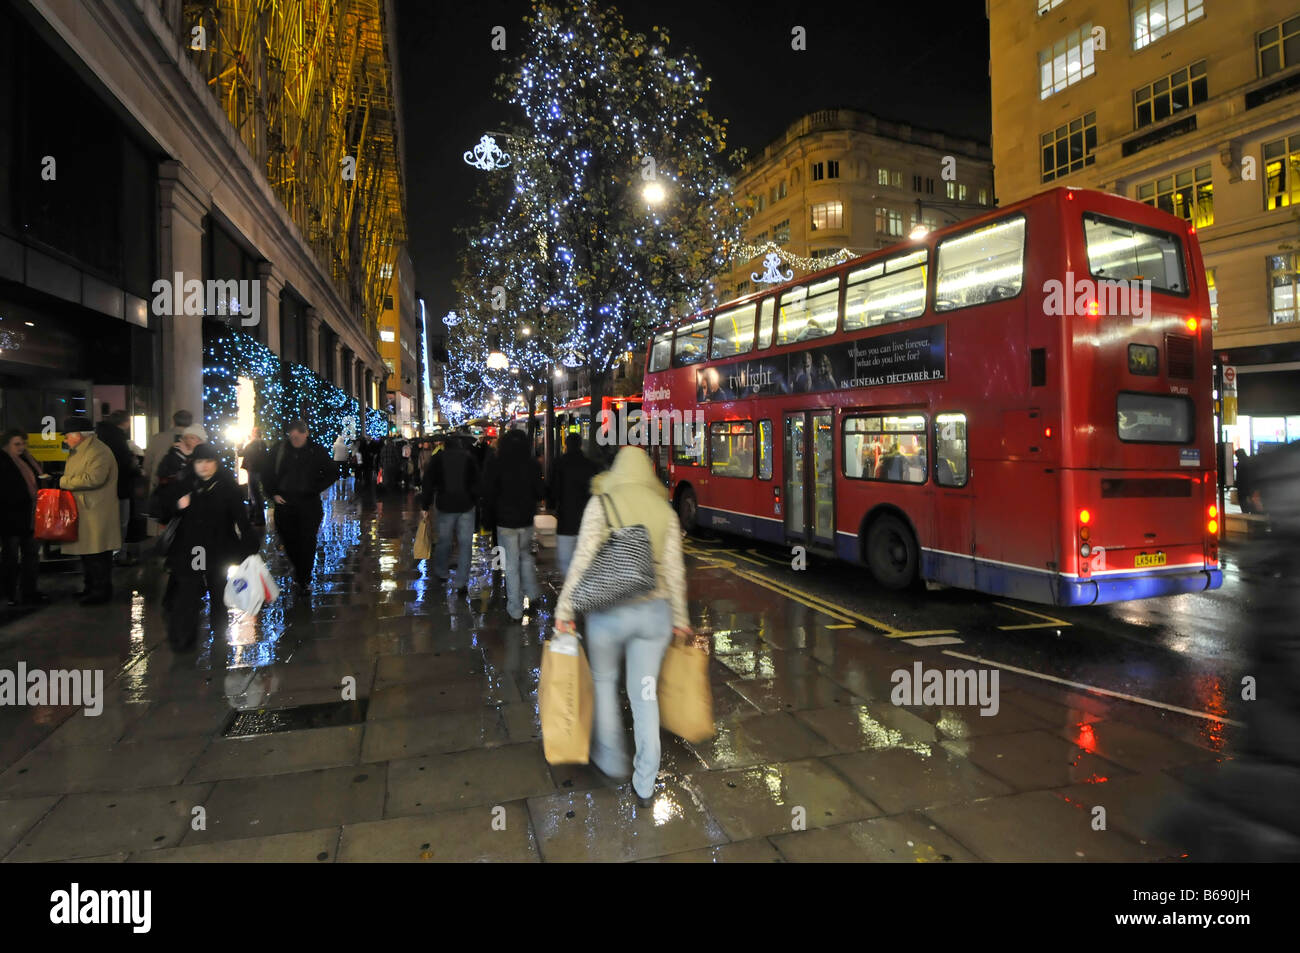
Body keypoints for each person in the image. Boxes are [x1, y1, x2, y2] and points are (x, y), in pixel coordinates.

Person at [554, 446, 692, 806]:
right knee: (645, 695)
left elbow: (583, 559)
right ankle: (645, 781)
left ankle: (611, 758)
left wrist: (564, 610)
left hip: (609, 614)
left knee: (603, 683)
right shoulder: (665, 510)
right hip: (654, 615)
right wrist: (680, 619)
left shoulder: (601, 503)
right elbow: (675, 571)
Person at [157, 442, 258, 651]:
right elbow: (162, 509)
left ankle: (219, 628)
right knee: (190, 589)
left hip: (220, 547)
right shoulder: (186, 484)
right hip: (195, 549)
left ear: (216, 463)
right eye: (199, 462)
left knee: (217, 588)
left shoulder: (227, 486)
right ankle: (186, 638)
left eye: (208, 462)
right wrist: (178, 505)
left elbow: (241, 518)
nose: (203, 466)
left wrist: (249, 545)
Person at [263, 420, 337, 593]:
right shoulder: (279, 450)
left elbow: (331, 472)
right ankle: (298, 570)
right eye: (292, 436)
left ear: (306, 434)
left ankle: (303, 577)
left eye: (298, 436)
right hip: (285, 504)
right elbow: (266, 473)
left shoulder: (316, 450)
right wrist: (273, 493)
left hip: (308, 503)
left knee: (307, 540)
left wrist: (315, 488)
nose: (295, 440)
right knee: (289, 540)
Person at [481, 429, 545, 620]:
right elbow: (540, 492)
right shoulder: (531, 464)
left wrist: (487, 518)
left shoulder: (497, 463)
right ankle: (533, 594)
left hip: (505, 521)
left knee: (511, 564)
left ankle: (515, 609)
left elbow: (489, 493)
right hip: (525, 520)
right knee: (525, 557)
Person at [58, 415, 120, 605]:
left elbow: (94, 478)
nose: (66, 439)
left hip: (95, 511)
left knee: (97, 554)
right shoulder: (82, 450)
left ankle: (99, 592)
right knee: (89, 553)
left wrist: (62, 482)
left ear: (78, 435)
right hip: (87, 509)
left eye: (68, 435)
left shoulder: (97, 451)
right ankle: (91, 588)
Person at [421, 434, 479, 594]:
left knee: (444, 541)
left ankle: (441, 571)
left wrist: (425, 504)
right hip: (466, 505)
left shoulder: (438, 459)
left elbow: (428, 482)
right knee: (465, 544)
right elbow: (477, 482)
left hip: (445, 504)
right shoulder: (469, 458)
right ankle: (461, 581)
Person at [0, 430, 48, 606]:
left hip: (30, 515)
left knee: (31, 555)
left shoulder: (28, 459)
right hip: (11, 516)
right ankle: (10, 593)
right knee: (11, 557)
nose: (21, 447)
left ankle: (29, 591)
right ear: (7, 444)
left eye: (23, 443)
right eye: (17, 444)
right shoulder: (3, 460)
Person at [548, 432, 599, 577]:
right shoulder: (591, 465)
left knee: (565, 560)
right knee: (585, 560)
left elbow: (553, 491)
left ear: (566, 445)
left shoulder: (559, 464)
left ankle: (570, 590)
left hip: (565, 519)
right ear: (580, 445)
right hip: (586, 519)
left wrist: (552, 505)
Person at [96, 411, 139, 566]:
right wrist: (135, 465)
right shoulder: (119, 438)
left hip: (104, 488)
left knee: (108, 522)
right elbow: (125, 464)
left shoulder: (100, 435)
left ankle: (106, 553)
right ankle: (118, 554)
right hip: (120, 486)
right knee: (121, 522)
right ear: (126, 422)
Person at [143, 410, 192, 500]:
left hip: (160, 485)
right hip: (187, 489)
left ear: (173, 421)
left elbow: (147, 463)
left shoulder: (158, 438)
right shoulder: (195, 440)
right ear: (191, 422)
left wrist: (152, 478)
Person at [239, 427, 269, 527]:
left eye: (252, 431)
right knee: (253, 493)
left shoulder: (254, 443)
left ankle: (257, 517)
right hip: (256, 470)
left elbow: (241, 453)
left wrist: (241, 443)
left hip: (253, 470)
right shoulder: (261, 444)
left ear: (255, 433)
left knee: (254, 493)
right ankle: (253, 516)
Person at [1235, 448, 1260, 514]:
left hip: (1243, 491)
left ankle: (1249, 522)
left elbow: (1239, 479)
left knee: (1245, 509)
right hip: (1252, 489)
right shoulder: (1251, 461)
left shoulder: (1240, 465)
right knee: (1253, 509)